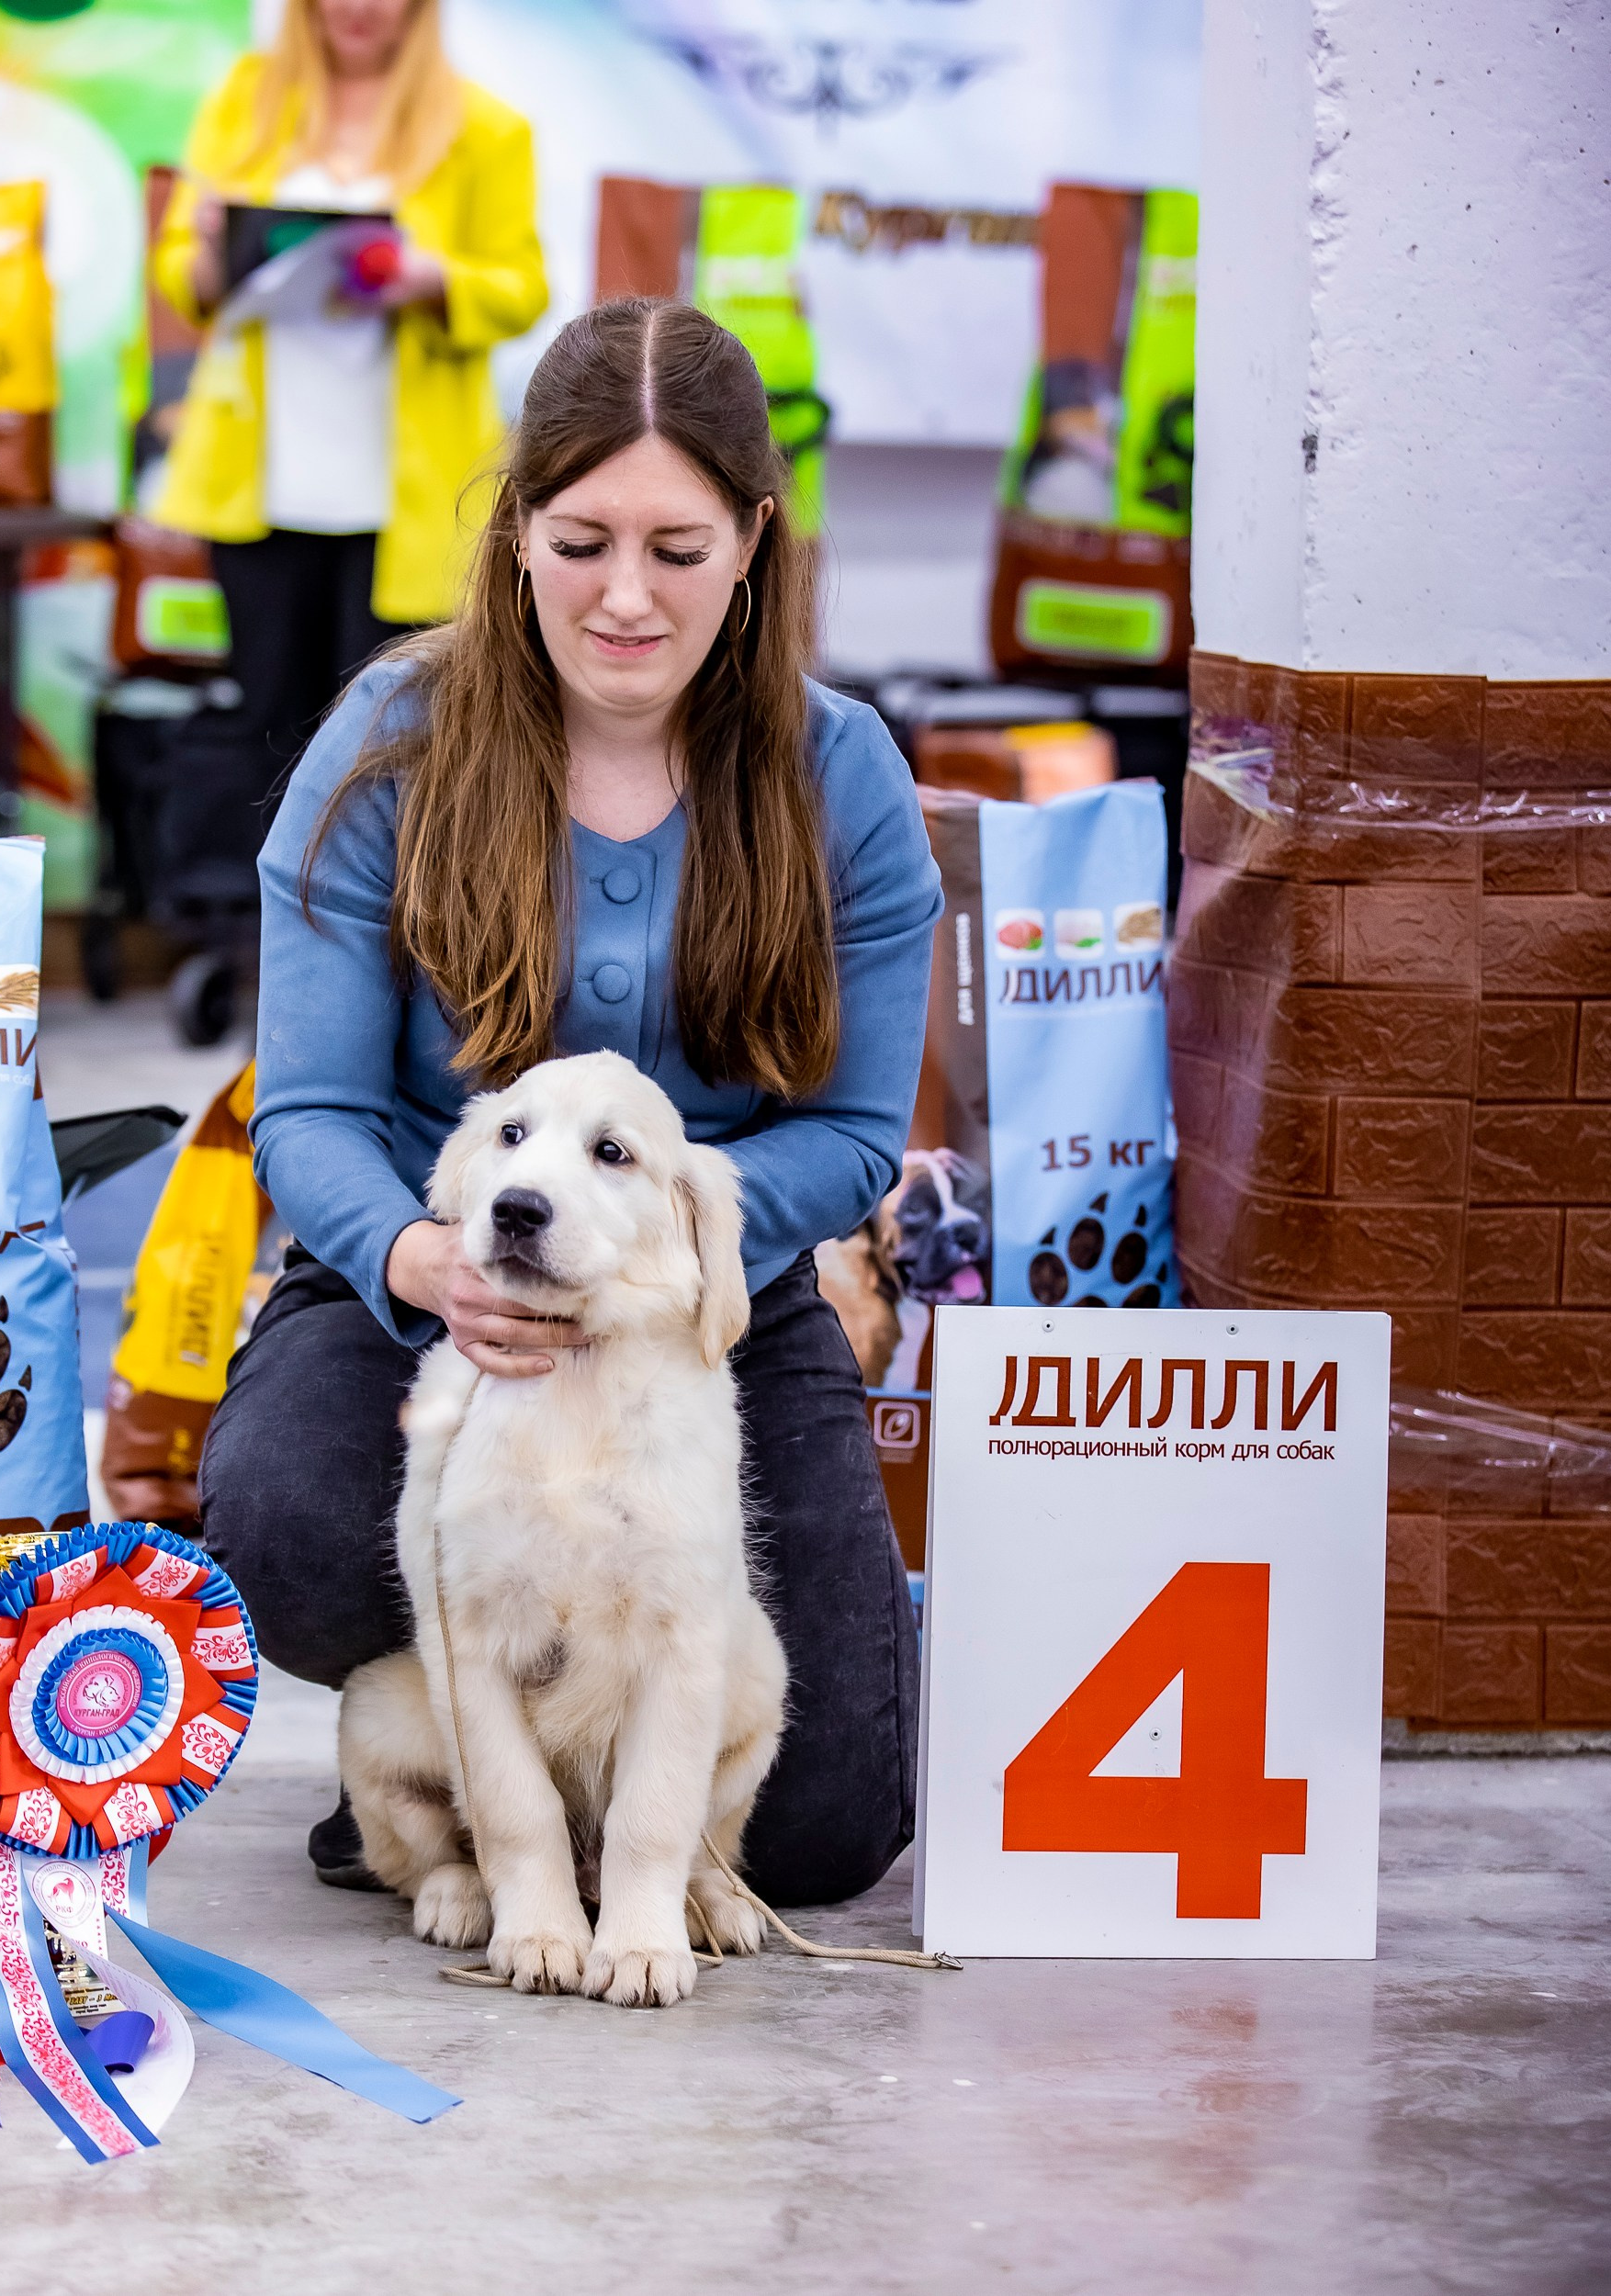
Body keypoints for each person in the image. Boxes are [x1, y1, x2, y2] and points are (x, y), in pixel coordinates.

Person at [199, 298, 942, 1910]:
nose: (624, 597)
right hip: (425, 1280)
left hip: (704, 1296)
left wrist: (665, 1256)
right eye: (582, 538)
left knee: (822, 1825)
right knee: (292, 1522)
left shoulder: (845, 777)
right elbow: (311, 1110)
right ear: (517, 523)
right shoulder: (384, 748)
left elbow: (856, 1136)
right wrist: (421, 1264)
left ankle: (551, 1754)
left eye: (677, 549)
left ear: (753, 538)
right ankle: (455, 1768)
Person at [151, 0, 546, 829]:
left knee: (396, 744)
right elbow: (184, 275)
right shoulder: (246, 98)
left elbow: (522, 290)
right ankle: (274, 935)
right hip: (259, 487)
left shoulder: (483, 126)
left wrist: (435, 278)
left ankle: (394, 941)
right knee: (265, 728)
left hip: (404, 498)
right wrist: (210, 251)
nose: (359, 8)